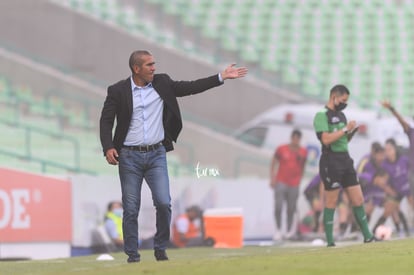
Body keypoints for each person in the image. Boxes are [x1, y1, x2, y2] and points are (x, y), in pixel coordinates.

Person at [99, 50, 247, 263]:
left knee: (163, 202)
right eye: (149, 65)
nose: (154, 68)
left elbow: (190, 87)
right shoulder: (117, 91)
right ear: (136, 68)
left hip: (156, 154)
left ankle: (160, 248)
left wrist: (220, 77)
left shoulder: (162, 82)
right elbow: (106, 121)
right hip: (129, 156)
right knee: (131, 209)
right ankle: (133, 255)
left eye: (154, 64)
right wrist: (108, 147)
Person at [313, 84, 375, 247]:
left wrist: (351, 132)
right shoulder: (321, 115)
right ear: (334, 95)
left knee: (358, 198)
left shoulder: (342, 116)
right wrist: (345, 130)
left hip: (345, 159)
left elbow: (343, 140)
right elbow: (326, 139)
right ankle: (330, 241)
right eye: (343, 99)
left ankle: (368, 236)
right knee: (332, 201)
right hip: (330, 161)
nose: (344, 103)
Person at [270, 129, 308, 241]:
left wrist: (300, 177)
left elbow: (303, 165)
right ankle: (278, 229)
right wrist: (272, 177)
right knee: (278, 206)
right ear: (291, 138)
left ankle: (288, 231)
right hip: (281, 181)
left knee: (291, 208)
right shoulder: (282, 149)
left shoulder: (303, 151)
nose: (295, 140)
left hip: (294, 183)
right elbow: (274, 161)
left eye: (298, 139)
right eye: (294, 138)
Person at [374, 138, 410, 236]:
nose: (387, 152)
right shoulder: (384, 164)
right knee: (388, 210)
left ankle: (407, 232)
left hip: (409, 188)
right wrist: (388, 190)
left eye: (389, 149)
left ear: (395, 149)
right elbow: (378, 180)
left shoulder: (404, 159)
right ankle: (373, 232)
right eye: (386, 150)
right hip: (396, 191)